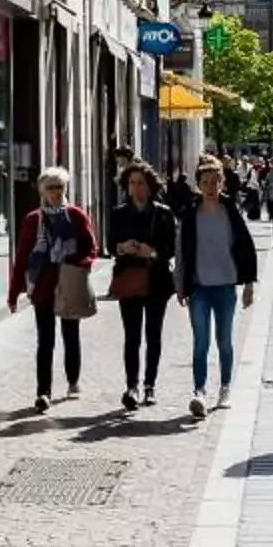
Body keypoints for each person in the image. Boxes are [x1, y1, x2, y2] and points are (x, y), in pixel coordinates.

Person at [177, 153, 258, 421]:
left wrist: (248, 284)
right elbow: (182, 253)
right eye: (206, 182)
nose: (211, 187)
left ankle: (225, 388)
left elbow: (246, 247)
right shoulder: (190, 214)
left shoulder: (231, 212)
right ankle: (199, 391)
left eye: (215, 181)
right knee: (200, 342)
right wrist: (180, 285)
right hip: (199, 287)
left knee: (224, 341)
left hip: (225, 286)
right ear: (198, 185)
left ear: (222, 183)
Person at [9, 166, 98, 413]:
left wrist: (80, 265)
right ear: (42, 191)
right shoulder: (33, 220)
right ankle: (43, 392)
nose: (56, 193)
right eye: (51, 188)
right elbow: (23, 256)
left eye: (59, 187)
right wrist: (14, 291)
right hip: (43, 286)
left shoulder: (77, 216)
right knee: (45, 340)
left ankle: (72, 380)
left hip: (68, 282)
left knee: (71, 334)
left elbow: (91, 248)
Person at [107, 160, 177, 410]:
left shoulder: (163, 213)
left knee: (153, 335)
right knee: (132, 336)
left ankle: (150, 385)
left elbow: (171, 247)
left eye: (141, 183)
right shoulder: (118, 213)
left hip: (157, 281)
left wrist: (153, 252)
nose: (136, 188)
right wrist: (122, 248)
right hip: (129, 279)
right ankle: (131, 386)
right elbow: (109, 245)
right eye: (132, 183)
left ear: (150, 186)